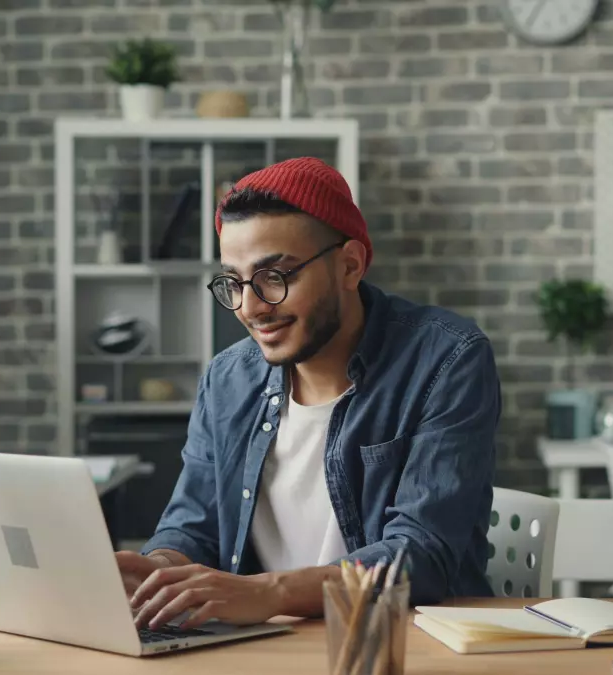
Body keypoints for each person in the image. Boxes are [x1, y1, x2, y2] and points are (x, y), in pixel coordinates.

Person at [115, 157, 501, 631]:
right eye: (233, 283)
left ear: (350, 265)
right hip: (264, 651)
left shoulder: (446, 360)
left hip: (403, 645)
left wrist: (267, 591)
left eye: (275, 277)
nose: (250, 307)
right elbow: (193, 524)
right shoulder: (227, 379)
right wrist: (158, 569)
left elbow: (423, 554)